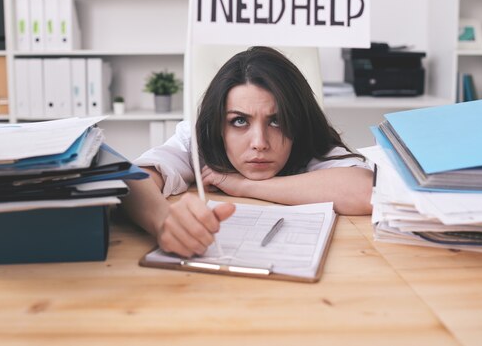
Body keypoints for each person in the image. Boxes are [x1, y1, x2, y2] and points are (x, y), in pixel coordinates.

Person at [122, 46, 373, 258]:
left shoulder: (306, 140)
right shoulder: (199, 138)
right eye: (240, 121)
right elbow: (132, 181)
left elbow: (365, 191)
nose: (260, 143)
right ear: (219, 125)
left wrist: (242, 185)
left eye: (277, 121)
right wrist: (163, 222)